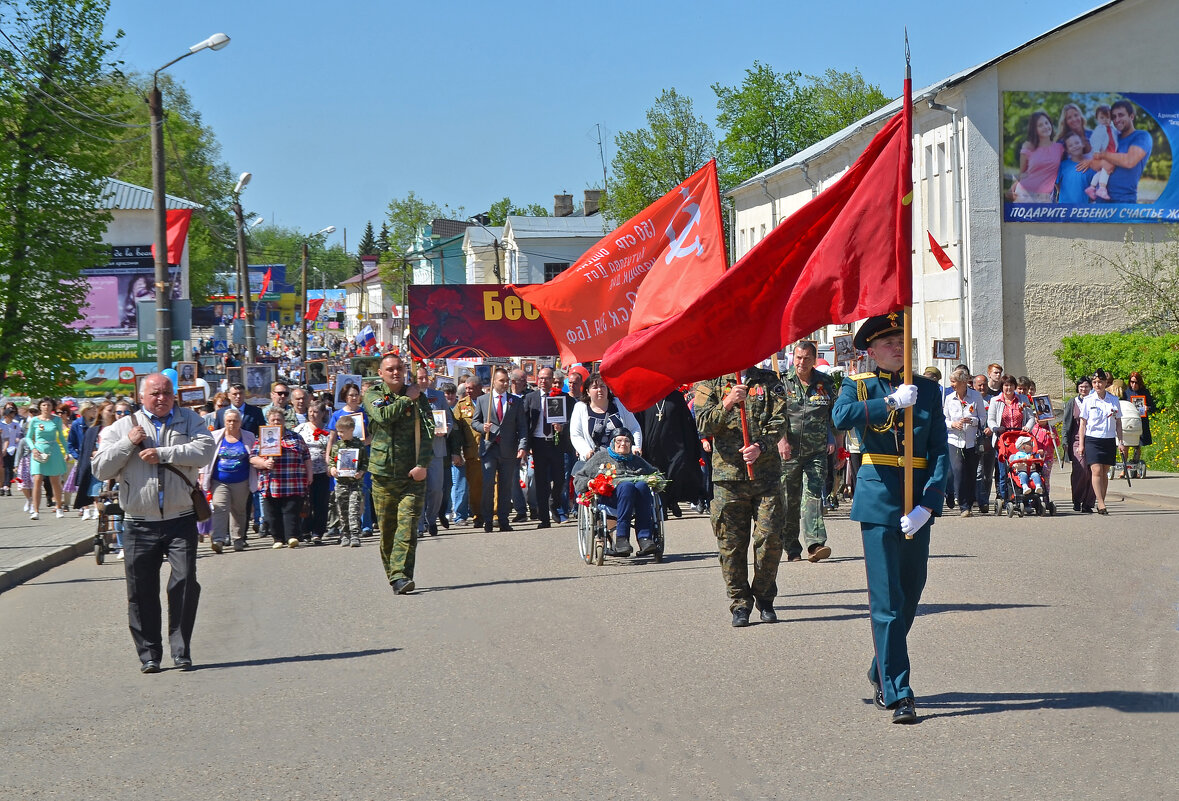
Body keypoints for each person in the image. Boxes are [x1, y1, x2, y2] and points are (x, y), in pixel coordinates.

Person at [831, 313, 949, 724]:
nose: (897, 348)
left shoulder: (930, 390)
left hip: (917, 502)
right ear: (871, 351)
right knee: (886, 600)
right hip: (879, 498)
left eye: (901, 341)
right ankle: (899, 692)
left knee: (911, 595)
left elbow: (938, 451)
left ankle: (880, 665)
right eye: (888, 344)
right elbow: (840, 418)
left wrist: (928, 504)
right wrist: (889, 403)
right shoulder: (858, 385)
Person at [92, 373, 215, 673]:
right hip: (138, 522)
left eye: (167, 393)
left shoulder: (189, 420)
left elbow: (206, 451)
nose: (161, 398)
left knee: (185, 583)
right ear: (142, 396)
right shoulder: (122, 426)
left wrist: (163, 454)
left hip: (180, 518)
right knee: (140, 591)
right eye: (155, 393)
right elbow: (99, 468)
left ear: (174, 395)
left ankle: (181, 650)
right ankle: (149, 654)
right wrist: (127, 444)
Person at [695, 365, 790, 628]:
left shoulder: (769, 381)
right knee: (731, 545)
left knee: (770, 538)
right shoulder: (711, 381)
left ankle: (764, 595)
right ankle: (739, 603)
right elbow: (702, 423)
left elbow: (780, 420)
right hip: (728, 478)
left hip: (766, 475)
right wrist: (727, 402)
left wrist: (761, 446)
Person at [363, 354, 433, 594]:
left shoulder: (418, 397)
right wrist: (406, 399)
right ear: (381, 373)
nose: (396, 373)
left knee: (408, 527)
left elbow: (427, 431)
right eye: (390, 369)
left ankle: (401, 576)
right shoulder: (373, 395)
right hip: (383, 475)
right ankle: (393, 574)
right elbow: (383, 417)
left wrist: (423, 464)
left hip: (411, 476)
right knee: (388, 530)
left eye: (400, 368)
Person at [779, 341, 838, 563]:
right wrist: (781, 441)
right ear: (793, 358)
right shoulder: (782, 383)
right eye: (798, 358)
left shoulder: (825, 384)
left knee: (813, 495)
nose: (801, 362)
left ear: (814, 360)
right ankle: (792, 547)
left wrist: (838, 445)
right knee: (789, 499)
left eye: (806, 358)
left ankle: (815, 544)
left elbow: (834, 417)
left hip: (816, 451)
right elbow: (776, 416)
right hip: (789, 451)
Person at [573, 428, 661, 556]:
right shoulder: (601, 458)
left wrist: (655, 480)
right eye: (619, 440)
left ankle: (645, 539)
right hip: (610, 500)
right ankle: (622, 539)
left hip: (637, 502)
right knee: (626, 486)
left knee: (642, 485)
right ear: (612, 443)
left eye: (627, 441)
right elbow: (580, 478)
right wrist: (589, 483)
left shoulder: (636, 461)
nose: (623, 444)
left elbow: (657, 474)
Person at [471, 366, 528, 533]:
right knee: (488, 484)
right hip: (489, 449)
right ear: (494, 381)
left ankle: (503, 520)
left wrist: (522, 446)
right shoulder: (483, 400)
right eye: (501, 381)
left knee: (506, 487)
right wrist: (483, 427)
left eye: (506, 381)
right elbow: (475, 422)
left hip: (508, 450)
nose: (504, 384)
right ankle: (488, 519)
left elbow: (522, 426)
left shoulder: (515, 401)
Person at [636, 388, 705, 519]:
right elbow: (638, 422)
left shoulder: (676, 396)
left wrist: (691, 445)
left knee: (676, 472)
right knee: (658, 475)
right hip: (652, 446)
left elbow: (686, 422)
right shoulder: (644, 396)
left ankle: (672, 500)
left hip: (675, 446)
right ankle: (664, 505)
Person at [250, 406, 312, 548]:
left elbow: (306, 457)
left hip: (293, 481)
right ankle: (277, 539)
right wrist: (264, 462)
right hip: (271, 482)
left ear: (284, 421)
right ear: (268, 421)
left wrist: (309, 475)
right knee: (272, 513)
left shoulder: (295, 437)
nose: (276, 422)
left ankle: (292, 537)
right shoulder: (262, 438)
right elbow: (252, 458)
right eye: (273, 420)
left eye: (279, 419)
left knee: (291, 511)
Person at [416, 365, 462, 537]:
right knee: (419, 490)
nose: (423, 381)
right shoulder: (408, 397)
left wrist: (445, 430)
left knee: (436, 489)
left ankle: (431, 518)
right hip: (417, 450)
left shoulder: (438, 396)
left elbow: (448, 420)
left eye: (425, 378)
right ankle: (419, 525)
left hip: (436, 448)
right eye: (419, 378)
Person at [202, 408, 256, 552]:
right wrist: (202, 474)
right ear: (225, 422)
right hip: (219, 481)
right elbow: (206, 458)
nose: (232, 423)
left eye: (235, 421)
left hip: (241, 481)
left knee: (239, 510)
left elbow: (254, 455)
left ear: (240, 422)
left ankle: (238, 539)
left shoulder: (249, 436)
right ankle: (218, 540)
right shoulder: (215, 436)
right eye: (229, 421)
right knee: (220, 508)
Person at [524, 367, 569, 529]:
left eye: (547, 378)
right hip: (538, 443)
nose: (544, 381)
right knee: (541, 482)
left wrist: (562, 427)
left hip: (556, 443)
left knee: (559, 480)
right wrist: (525, 445)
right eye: (541, 378)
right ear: (537, 380)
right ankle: (544, 519)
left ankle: (553, 502)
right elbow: (524, 423)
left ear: (553, 380)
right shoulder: (530, 398)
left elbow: (571, 419)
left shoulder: (562, 397)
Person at [1083, 100, 1153, 204]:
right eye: (1114, 117)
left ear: (1131, 116)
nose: (1117, 120)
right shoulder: (1112, 137)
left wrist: (1103, 155)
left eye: (1121, 115)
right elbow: (1094, 164)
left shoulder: (1141, 136)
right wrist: (1104, 161)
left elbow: (1129, 161)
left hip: (1124, 201)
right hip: (1100, 200)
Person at [1078, 369, 1125, 515]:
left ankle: (1101, 500)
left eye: (1100, 382)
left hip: (1109, 439)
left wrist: (1121, 442)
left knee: (1104, 472)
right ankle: (1101, 502)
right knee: (1096, 470)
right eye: (1094, 382)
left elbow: (1118, 423)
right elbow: (1083, 424)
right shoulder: (1088, 400)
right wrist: (1081, 444)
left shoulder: (1113, 400)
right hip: (1093, 438)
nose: (1097, 385)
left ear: (1105, 383)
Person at [569, 374, 643, 461]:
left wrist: (635, 447)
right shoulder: (580, 407)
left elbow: (634, 428)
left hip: (621, 460)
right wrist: (586, 452)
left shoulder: (619, 404)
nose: (600, 390)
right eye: (595, 387)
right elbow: (576, 435)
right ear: (588, 391)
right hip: (593, 462)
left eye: (602, 386)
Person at [943, 367, 984, 516]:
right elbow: (944, 419)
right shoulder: (949, 398)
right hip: (954, 440)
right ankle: (963, 506)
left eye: (954, 382)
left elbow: (982, 418)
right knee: (958, 471)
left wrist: (972, 421)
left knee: (971, 473)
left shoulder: (976, 396)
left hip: (971, 440)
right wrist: (952, 424)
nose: (952, 385)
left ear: (963, 382)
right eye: (951, 382)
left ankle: (970, 501)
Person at [987, 375, 1033, 503]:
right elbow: (990, 419)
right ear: (1002, 387)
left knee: (1022, 467)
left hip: (1020, 439)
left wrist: (1027, 427)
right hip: (1004, 438)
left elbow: (1030, 417)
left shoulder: (1022, 399)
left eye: (1011, 385)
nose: (1009, 388)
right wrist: (996, 427)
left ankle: (1023, 496)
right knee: (1004, 470)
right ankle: (1004, 497)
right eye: (1006, 385)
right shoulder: (996, 401)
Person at [25, 397, 69, 520]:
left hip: (53, 450)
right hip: (38, 451)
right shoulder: (34, 420)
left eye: (49, 405)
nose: (46, 407)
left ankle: (59, 507)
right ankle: (36, 510)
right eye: (44, 405)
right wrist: (33, 448)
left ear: (52, 407)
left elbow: (60, 436)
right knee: (37, 480)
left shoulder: (56, 420)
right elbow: (28, 437)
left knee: (54, 480)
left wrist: (66, 451)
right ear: (40, 407)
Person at [295, 401, 333, 544]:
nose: (313, 414)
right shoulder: (300, 429)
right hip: (304, 471)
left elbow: (335, 448)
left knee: (320, 503)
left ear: (323, 413)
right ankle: (305, 530)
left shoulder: (329, 431)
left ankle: (318, 531)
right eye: (310, 411)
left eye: (316, 412)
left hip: (323, 472)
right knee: (305, 503)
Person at [329, 413, 368, 547]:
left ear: (351, 430)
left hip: (355, 483)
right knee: (342, 509)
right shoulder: (337, 446)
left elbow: (365, 462)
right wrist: (332, 469)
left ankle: (355, 535)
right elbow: (331, 462)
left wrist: (361, 472)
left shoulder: (359, 444)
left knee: (353, 509)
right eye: (338, 431)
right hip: (341, 484)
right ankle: (344, 534)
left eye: (342, 431)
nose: (339, 434)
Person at [1063, 376, 1097, 513]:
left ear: (1091, 388)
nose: (1084, 389)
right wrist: (1065, 441)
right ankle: (1077, 499)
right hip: (1076, 440)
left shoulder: (1095, 401)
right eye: (1081, 387)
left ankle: (1088, 503)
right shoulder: (1073, 402)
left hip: (1093, 439)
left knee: (1093, 472)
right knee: (1081, 470)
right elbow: (1066, 424)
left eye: (1086, 387)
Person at [454, 377, 484, 528]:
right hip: (472, 454)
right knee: (475, 488)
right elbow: (455, 431)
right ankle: (478, 515)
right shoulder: (460, 406)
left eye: (471, 388)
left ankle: (495, 513)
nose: (468, 391)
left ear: (480, 388)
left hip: (491, 451)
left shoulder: (489, 401)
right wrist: (456, 452)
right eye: (466, 388)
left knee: (494, 485)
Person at [1014, 111, 1064, 202]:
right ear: (1035, 129)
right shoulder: (1028, 147)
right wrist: (1012, 189)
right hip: (1025, 194)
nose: (1045, 127)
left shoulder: (1059, 148)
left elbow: (1059, 172)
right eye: (1040, 125)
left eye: (1046, 123)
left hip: (1046, 197)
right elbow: (1022, 173)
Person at [974, 371, 999, 513]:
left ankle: (985, 499)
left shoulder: (993, 400)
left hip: (990, 441)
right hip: (975, 440)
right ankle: (979, 500)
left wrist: (991, 427)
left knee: (988, 473)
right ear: (974, 386)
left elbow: (997, 417)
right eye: (979, 385)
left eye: (984, 385)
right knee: (978, 471)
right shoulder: (971, 400)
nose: (982, 387)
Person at [1084, 105, 1117, 201]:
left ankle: (1092, 187)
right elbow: (1096, 140)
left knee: (1101, 171)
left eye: (1108, 117)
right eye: (1102, 118)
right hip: (1102, 153)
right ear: (1097, 119)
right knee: (1106, 169)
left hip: (1110, 153)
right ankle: (1102, 188)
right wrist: (1097, 151)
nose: (1105, 120)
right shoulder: (1100, 129)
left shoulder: (1112, 128)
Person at [1057, 132, 1097, 204]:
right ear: (1067, 150)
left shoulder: (1090, 166)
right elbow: (1056, 183)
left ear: (1082, 144)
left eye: (1077, 143)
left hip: (1083, 209)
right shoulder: (1062, 166)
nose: (1075, 146)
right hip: (1064, 208)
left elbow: (1093, 188)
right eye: (1070, 145)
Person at [1126, 371, 1155, 462]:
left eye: (1136, 382)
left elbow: (1153, 407)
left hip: (1141, 421)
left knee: (1137, 444)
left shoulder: (1145, 392)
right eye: (1132, 382)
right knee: (1125, 444)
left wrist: (1148, 408)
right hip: (1128, 421)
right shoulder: (1126, 393)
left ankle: (1136, 463)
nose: (1133, 385)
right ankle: (1124, 467)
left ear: (1139, 382)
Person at [1, 403, 22, 496]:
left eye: (13, 413)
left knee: (9, 468)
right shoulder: (2, 425)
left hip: (13, 448)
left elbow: (19, 434)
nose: (12, 415)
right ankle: (2, 485)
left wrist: (18, 439)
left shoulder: (16, 424)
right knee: (3, 468)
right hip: (2, 448)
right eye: (10, 414)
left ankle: (7, 486)